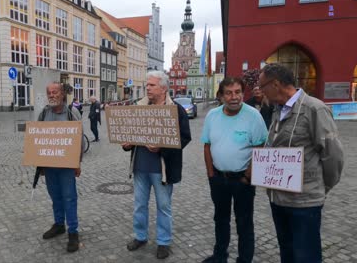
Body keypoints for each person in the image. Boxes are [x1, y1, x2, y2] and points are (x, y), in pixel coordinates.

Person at [258, 63, 344, 263]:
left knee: (306, 255)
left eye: (263, 87)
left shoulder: (314, 109)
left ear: (276, 84)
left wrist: (320, 187)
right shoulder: (277, 110)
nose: (261, 92)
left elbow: (333, 156)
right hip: (278, 197)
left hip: (304, 201)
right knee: (286, 250)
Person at [122, 70, 191, 260]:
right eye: (147, 85)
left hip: (163, 169)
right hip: (140, 166)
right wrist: (127, 144)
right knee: (139, 205)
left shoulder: (176, 110)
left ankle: (163, 241)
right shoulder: (138, 107)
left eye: (151, 85)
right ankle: (140, 236)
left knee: (163, 206)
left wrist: (162, 147)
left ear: (163, 88)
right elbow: (129, 133)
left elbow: (185, 137)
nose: (147, 88)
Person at [201, 77, 268, 263]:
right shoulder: (212, 116)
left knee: (244, 222)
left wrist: (248, 176)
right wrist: (210, 174)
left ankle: (245, 259)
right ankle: (220, 255)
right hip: (218, 178)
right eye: (229, 93)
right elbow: (207, 145)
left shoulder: (253, 115)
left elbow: (260, 147)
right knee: (220, 219)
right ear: (221, 96)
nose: (234, 97)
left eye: (238, 92)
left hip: (243, 180)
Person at [38, 82, 83, 253]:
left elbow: (79, 139)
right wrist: (40, 164)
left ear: (62, 94)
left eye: (55, 92)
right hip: (50, 165)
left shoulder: (72, 113)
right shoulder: (44, 113)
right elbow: (38, 139)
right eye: (49, 92)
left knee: (69, 198)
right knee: (55, 196)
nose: (52, 95)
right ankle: (59, 224)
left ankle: (73, 231)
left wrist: (78, 163)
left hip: (67, 166)